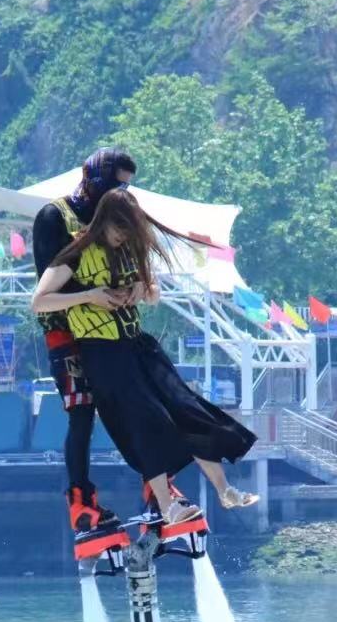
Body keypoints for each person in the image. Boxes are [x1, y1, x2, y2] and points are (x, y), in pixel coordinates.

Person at [32, 189, 259, 523]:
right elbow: (40, 300)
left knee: (188, 409)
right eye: (119, 230)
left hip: (137, 345)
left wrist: (142, 290)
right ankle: (167, 505)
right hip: (102, 353)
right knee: (146, 422)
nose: (123, 237)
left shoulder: (127, 251)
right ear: (104, 221)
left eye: (129, 232)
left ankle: (225, 490)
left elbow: (154, 293)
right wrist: (89, 297)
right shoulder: (76, 252)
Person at [33, 148, 136, 544]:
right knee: (82, 412)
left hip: (105, 326)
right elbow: (48, 280)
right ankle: (81, 501)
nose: (121, 193)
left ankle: (157, 484)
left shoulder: (112, 218)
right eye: (115, 185)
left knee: (132, 400)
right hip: (64, 327)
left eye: (126, 187)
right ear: (95, 180)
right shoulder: (54, 216)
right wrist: (92, 294)